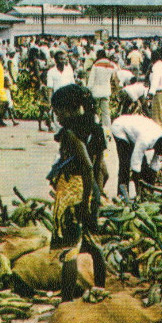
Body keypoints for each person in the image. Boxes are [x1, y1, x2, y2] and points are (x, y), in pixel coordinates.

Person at [48, 85, 106, 302]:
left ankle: (66, 302)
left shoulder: (71, 134)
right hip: (92, 192)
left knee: (69, 252)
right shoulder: (96, 129)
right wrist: (95, 195)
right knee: (92, 244)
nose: (58, 117)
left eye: (59, 112)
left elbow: (88, 166)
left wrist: (83, 199)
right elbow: (103, 170)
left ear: (70, 109)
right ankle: (100, 290)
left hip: (74, 195)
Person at [110, 113, 162, 202]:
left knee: (144, 165)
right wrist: (138, 191)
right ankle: (122, 195)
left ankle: (145, 192)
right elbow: (135, 163)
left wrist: (150, 189)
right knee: (125, 163)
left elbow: (154, 165)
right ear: (157, 147)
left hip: (136, 130)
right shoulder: (145, 140)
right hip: (120, 127)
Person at [87, 49, 118, 140]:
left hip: (95, 92)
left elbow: (91, 80)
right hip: (106, 91)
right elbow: (114, 77)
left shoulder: (96, 65)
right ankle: (107, 133)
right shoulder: (112, 65)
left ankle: (95, 133)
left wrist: (88, 90)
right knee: (106, 114)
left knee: (94, 112)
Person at [45, 50, 76, 131]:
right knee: (59, 125)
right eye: (60, 59)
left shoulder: (69, 70)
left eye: (64, 59)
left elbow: (73, 86)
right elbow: (50, 89)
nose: (63, 61)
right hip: (58, 101)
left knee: (70, 124)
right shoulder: (51, 72)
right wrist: (50, 102)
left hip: (69, 100)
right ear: (55, 60)